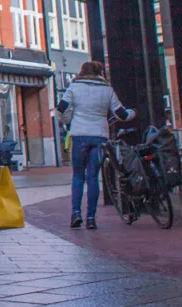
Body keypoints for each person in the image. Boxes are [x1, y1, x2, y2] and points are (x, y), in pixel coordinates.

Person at [55, 60, 130, 231]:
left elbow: (61, 107)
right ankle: (90, 218)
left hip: (79, 135)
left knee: (78, 176)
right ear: (100, 72)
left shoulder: (74, 88)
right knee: (93, 177)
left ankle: (75, 213)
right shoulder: (107, 89)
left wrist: (68, 121)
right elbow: (121, 113)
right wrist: (132, 113)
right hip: (99, 137)